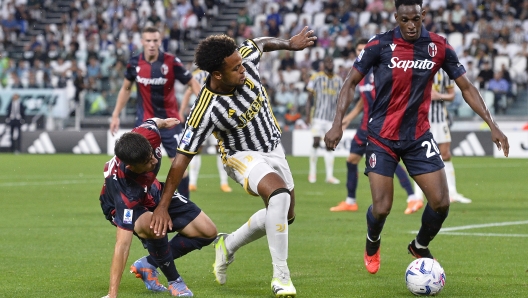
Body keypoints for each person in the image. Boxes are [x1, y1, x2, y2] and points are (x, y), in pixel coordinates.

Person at [324, 0, 509, 275]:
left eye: (416, 19)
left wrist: (492, 123)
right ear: (396, 17)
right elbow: (350, 82)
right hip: (382, 137)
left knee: (441, 202)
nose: (411, 25)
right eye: (405, 20)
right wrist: (337, 123)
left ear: (423, 15)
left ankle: (420, 245)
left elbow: (466, 87)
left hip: (418, 136)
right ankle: (372, 241)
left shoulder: (439, 46)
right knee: (383, 208)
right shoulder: (379, 45)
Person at [154, 27, 317, 297]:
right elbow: (182, 158)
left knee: (286, 214)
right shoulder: (205, 109)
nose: (243, 69)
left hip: (273, 147)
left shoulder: (242, 59)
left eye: (242, 64)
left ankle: (227, 246)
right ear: (217, 74)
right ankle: (281, 276)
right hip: (240, 156)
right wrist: (163, 205)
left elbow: (260, 44)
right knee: (278, 195)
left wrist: (288, 43)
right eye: (235, 68)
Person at [99, 118, 217, 298]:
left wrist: (164, 122)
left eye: (153, 155)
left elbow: (153, 121)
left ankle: (148, 264)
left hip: (152, 189)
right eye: (147, 162)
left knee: (207, 231)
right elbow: (122, 245)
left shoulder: (148, 134)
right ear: (131, 167)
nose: (154, 161)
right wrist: (112, 294)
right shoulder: (125, 192)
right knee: (155, 228)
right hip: (123, 203)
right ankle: (175, 281)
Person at [109, 26, 201, 199]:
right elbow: (126, 89)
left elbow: (192, 83)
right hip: (145, 123)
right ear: (142, 42)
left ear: (160, 41)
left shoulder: (171, 62)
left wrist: (203, 105)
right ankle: (136, 201)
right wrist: (115, 115)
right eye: (148, 41)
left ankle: (185, 204)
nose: (152, 44)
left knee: (179, 165)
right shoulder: (134, 63)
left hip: (170, 123)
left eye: (155, 40)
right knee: (137, 163)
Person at [330, 39, 418, 213]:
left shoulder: (382, 70)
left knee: (389, 162)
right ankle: (350, 201)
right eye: (358, 49)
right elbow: (362, 104)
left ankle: (412, 197)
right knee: (352, 160)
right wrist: (346, 119)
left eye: (364, 49)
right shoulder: (360, 76)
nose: (361, 52)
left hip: (381, 127)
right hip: (364, 128)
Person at [413, 69, 472, 204]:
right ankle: (418, 196)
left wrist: (438, 95)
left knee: (445, 154)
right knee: (418, 155)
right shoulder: (416, 68)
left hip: (440, 119)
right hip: (421, 118)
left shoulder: (443, 73)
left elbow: (452, 96)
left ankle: (452, 193)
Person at [179, 67, 232, 193]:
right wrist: (181, 111)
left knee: (218, 150)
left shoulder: (216, 73)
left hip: (213, 118)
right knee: (200, 150)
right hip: (204, 118)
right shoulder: (213, 73)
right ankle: (193, 183)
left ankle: (223, 182)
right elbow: (188, 93)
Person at [305, 56, 343, 184]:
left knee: (330, 145)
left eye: (331, 61)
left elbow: (341, 101)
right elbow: (309, 98)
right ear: (323, 64)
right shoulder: (316, 77)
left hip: (331, 119)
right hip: (317, 117)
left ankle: (329, 176)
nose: (330, 63)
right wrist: (307, 116)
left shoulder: (339, 80)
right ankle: (312, 173)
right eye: (327, 61)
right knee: (316, 142)